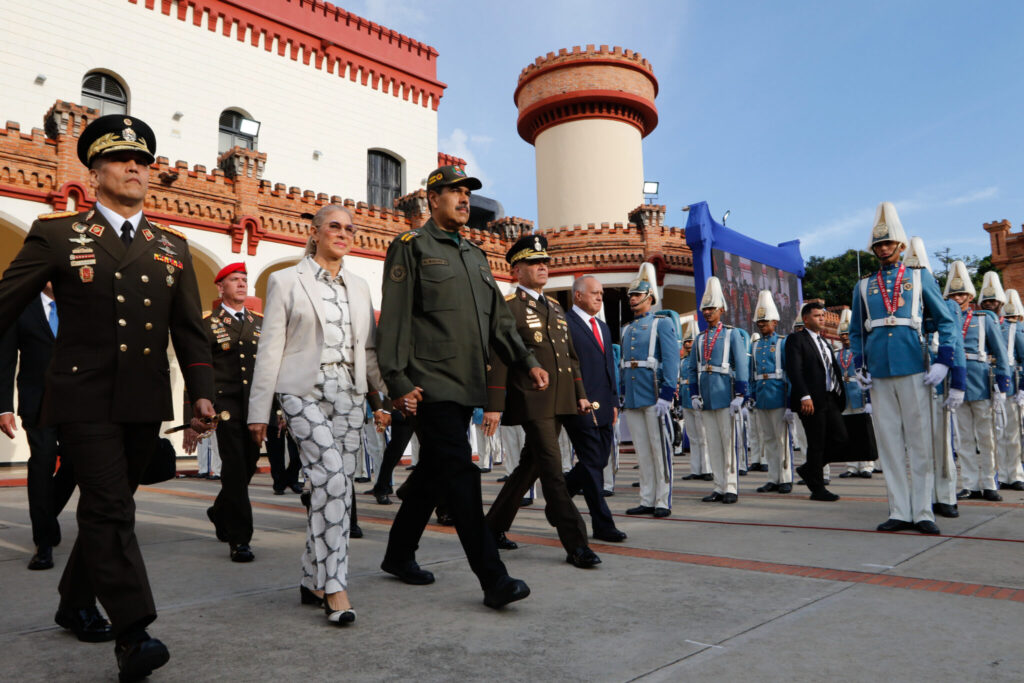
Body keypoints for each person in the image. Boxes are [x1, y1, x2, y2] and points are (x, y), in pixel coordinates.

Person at [0, 114, 216, 680]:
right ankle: (134, 632)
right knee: (112, 508)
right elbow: (5, 302)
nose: (135, 168)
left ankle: (73, 601)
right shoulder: (58, 233)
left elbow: (190, 330)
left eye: (143, 161)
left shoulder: (170, 246)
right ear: (94, 172)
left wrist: (201, 394)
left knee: (109, 508)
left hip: (144, 403)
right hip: (83, 397)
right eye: (122, 159)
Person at [376, 165, 544, 609]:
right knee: (462, 473)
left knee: (433, 475)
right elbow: (394, 318)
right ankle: (493, 578)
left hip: (466, 383)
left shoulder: (474, 257)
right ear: (432, 200)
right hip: (430, 385)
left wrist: (525, 362)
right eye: (454, 191)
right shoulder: (411, 248)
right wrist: (397, 379)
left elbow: (499, 322)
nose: (464, 199)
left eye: (467, 192)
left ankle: (397, 555)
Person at [248, 204, 387, 626]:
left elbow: (367, 350)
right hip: (301, 390)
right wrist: (259, 411)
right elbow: (271, 346)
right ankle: (335, 586)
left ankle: (311, 577)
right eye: (335, 226)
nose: (343, 234)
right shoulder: (286, 280)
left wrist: (387, 394)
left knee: (338, 487)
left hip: (349, 392)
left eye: (350, 228)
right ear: (315, 232)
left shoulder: (360, 286)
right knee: (329, 476)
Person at [482, 240, 601, 567]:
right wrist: (494, 403)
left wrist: (579, 394)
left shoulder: (556, 307)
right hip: (531, 400)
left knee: (529, 467)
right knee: (553, 468)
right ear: (516, 270)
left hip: (560, 399)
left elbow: (569, 357)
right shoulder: (509, 305)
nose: (543, 266)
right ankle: (576, 543)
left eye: (545, 261)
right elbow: (498, 356)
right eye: (534, 262)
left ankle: (491, 528)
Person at [849, 202, 961, 534]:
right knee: (890, 445)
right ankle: (899, 509)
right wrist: (859, 363)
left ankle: (924, 510)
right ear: (873, 249)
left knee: (921, 441)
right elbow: (857, 331)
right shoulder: (863, 286)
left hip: (915, 366)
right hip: (880, 372)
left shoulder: (918, 276)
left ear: (900, 246)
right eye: (878, 245)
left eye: (889, 244)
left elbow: (946, 322)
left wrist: (944, 361)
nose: (884, 249)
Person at [182, 262, 262, 562]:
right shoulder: (207, 324)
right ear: (221, 287)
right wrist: (195, 411)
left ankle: (219, 510)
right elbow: (197, 370)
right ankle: (240, 539)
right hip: (224, 407)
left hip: (255, 407)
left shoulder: (259, 324)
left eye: (244, 279)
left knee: (249, 464)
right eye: (235, 280)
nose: (241, 284)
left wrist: (276, 409)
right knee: (235, 466)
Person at [0, 283, 77, 570]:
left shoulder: (80, 303)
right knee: (42, 463)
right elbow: (5, 360)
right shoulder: (21, 305)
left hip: (77, 404)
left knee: (75, 464)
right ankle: (43, 544)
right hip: (38, 404)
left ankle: (47, 517)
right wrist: (4, 406)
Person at [561, 275, 627, 542]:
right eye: (594, 293)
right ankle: (603, 524)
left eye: (601, 293)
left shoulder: (603, 326)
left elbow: (608, 367)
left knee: (598, 461)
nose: (600, 297)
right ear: (578, 296)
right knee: (592, 466)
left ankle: (562, 489)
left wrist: (613, 402)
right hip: (581, 405)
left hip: (604, 405)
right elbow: (567, 367)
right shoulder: (565, 324)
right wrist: (577, 397)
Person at [902, 237, 964, 517]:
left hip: (940, 381)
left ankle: (946, 495)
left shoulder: (947, 306)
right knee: (918, 442)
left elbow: (957, 347)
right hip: (914, 378)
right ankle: (925, 496)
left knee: (941, 442)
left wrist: (958, 384)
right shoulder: (903, 303)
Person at [621, 263, 681, 516]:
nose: (633, 299)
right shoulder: (626, 329)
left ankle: (662, 500)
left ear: (649, 298)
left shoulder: (662, 323)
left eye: (637, 295)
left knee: (660, 449)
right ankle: (646, 498)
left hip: (655, 394)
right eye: (631, 296)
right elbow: (623, 364)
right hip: (634, 396)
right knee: (643, 451)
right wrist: (622, 392)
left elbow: (671, 359)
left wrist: (668, 394)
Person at [951, 265, 1011, 502]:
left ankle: (989, 483)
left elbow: (1000, 353)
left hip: (981, 380)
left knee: (986, 436)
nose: (957, 299)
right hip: (957, 382)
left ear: (970, 296)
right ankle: (969, 484)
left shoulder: (984, 319)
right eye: (953, 295)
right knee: (962, 438)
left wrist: (1003, 383)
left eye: (961, 294)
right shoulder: (947, 319)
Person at [687, 276, 748, 504]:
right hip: (707, 397)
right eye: (705, 309)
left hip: (726, 394)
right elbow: (692, 368)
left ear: (721, 309)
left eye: (712, 308)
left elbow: (741, 365)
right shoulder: (700, 338)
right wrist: (694, 393)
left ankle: (731, 487)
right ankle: (718, 486)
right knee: (713, 443)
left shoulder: (732, 334)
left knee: (728, 443)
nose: (707, 312)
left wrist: (741, 395)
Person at [783, 301, 845, 502]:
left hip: (830, 397)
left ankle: (809, 468)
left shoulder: (825, 342)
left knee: (841, 438)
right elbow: (794, 369)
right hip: (811, 400)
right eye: (817, 315)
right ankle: (817, 488)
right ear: (806, 318)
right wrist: (804, 395)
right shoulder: (796, 339)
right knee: (816, 443)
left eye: (823, 315)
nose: (822, 319)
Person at [749, 291, 793, 493]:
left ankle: (785, 477)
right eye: (759, 321)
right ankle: (773, 478)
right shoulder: (755, 344)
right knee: (768, 439)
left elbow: (790, 374)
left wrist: (790, 403)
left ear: (775, 322)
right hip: (762, 397)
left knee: (781, 439)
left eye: (766, 320)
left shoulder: (783, 343)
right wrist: (751, 396)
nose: (762, 324)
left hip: (778, 395)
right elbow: (752, 373)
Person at [834, 310, 877, 480]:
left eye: (847, 334)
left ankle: (867, 465)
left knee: (863, 430)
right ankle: (851, 465)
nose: (845, 337)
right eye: (842, 334)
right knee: (848, 430)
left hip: (859, 393)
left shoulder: (862, 353)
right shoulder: (837, 353)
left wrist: (869, 398)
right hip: (844, 396)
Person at [997, 287, 1024, 491]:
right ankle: (1003, 473)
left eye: (1015, 316)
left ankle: (1015, 473)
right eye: (1009, 315)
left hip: (1015, 386)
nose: (1012, 319)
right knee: (999, 432)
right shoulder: (998, 327)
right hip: (998, 385)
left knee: (1014, 433)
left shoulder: (1019, 331)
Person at [679, 321, 711, 482]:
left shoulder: (701, 362)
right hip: (686, 401)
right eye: (687, 341)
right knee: (692, 436)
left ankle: (707, 469)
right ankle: (695, 469)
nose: (689, 344)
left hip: (699, 399)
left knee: (703, 436)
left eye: (692, 341)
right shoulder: (683, 362)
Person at [267, 398, 302, 495]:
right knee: (275, 453)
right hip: (272, 412)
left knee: (299, 452)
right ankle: (279, 482)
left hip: (295, 411)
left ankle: (290, 478)